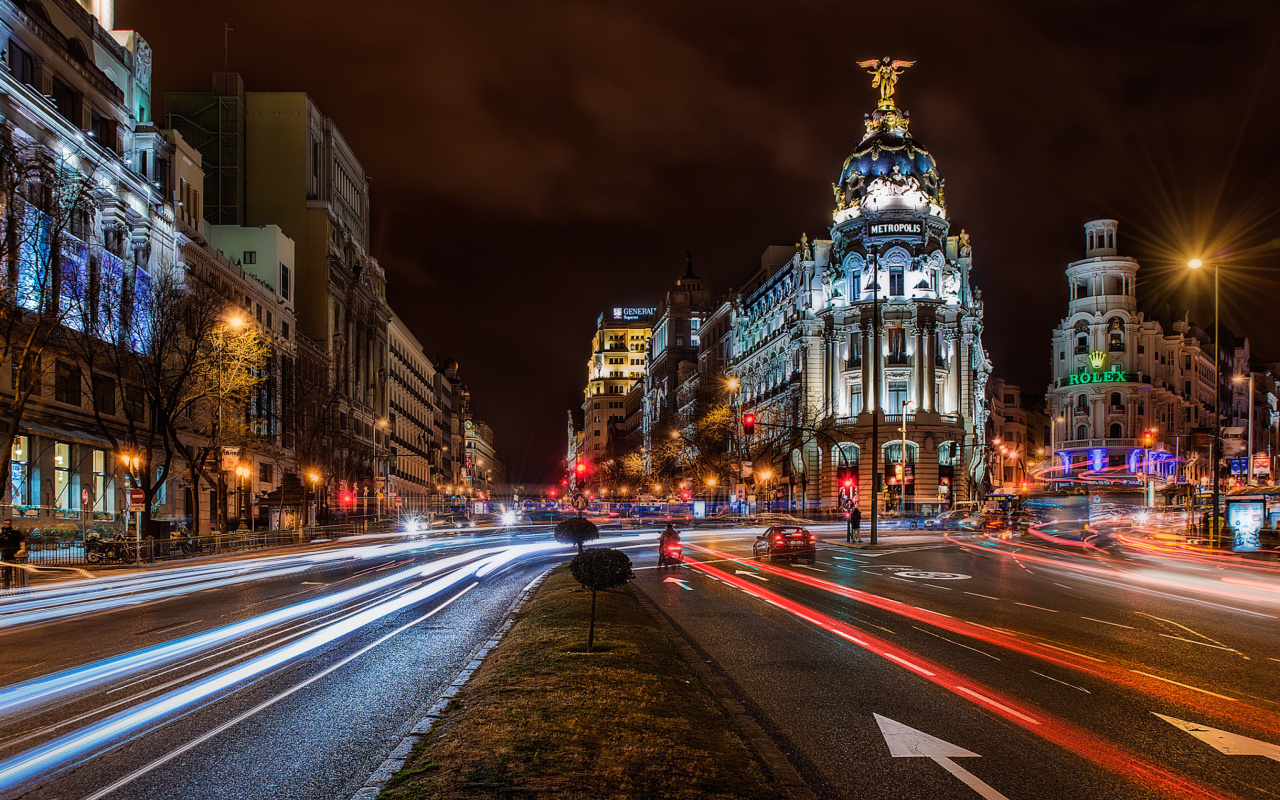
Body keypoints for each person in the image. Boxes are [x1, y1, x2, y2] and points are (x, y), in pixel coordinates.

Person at [0, 519, 25, 590]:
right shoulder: (3, 534)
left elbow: (21, 539)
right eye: (5, 524)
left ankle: (9, 584)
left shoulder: (15, 533)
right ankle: (7, 584)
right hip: (6, 553)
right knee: (7, 570)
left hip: (13, 553)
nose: (6, 526)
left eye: (8, 524)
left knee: (11, 569)